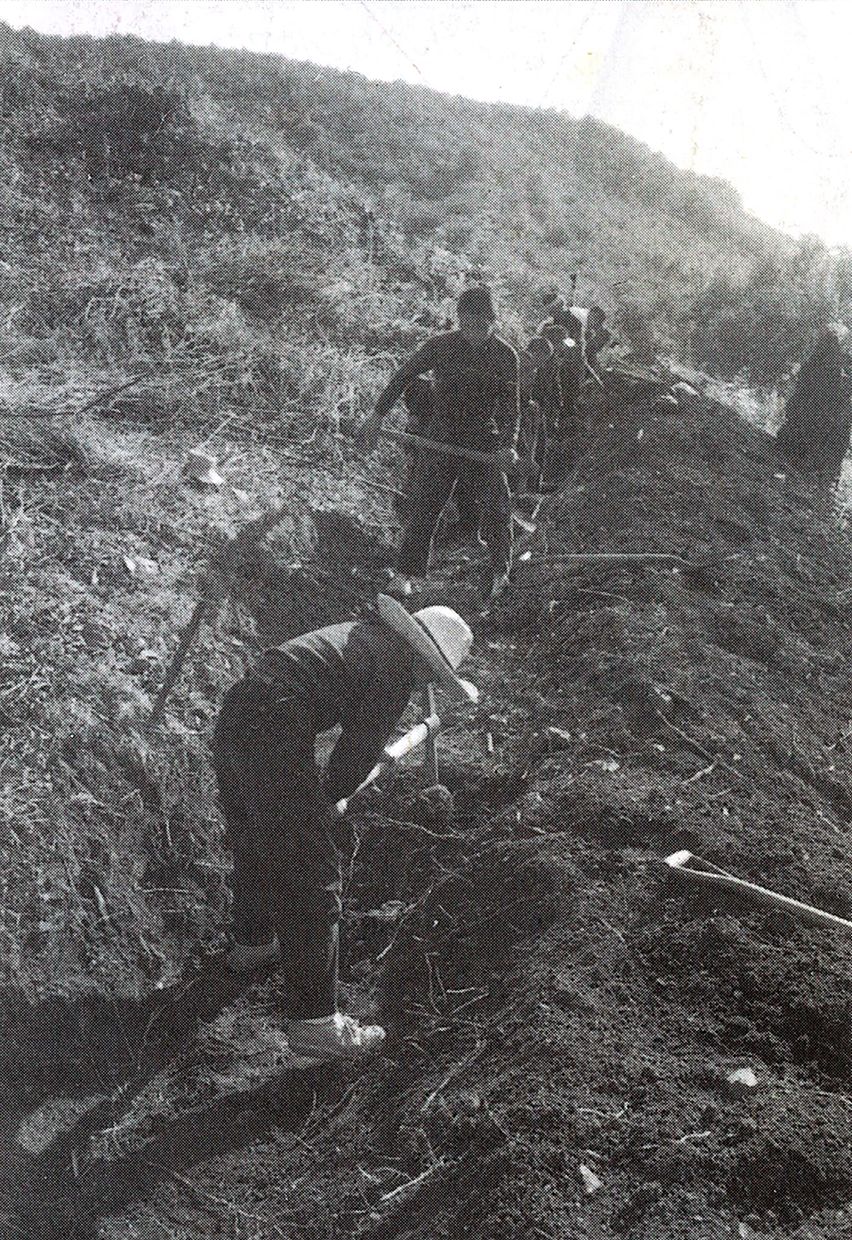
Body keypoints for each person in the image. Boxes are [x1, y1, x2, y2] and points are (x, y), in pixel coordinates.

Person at [211, 595, 478, 1061]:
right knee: (314, 874)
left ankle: (253, 942)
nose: (424, 686)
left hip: (239, 710)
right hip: (275, 720)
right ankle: (316, 1023)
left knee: (256, 837)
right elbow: (353, 762)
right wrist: (323, 806)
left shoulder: (361, 636)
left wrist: (314, 801)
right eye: (431, 677)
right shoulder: (393, 672)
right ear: (425, 663)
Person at [357, 286, 520, 601]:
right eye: (467, 323)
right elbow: (403, 376)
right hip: (441, 435)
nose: (473, 331)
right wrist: (377, 415)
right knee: (426, 504)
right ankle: (406, 574)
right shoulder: (440, 346)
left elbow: (510, 408)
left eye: (481, 325)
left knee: (498, 506)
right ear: (459, 319)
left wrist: (507, 445)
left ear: (493, 322)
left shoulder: (505, 356)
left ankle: (501, 571)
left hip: (481, 441)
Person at [776, 324, 852, 484]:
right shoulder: (832, 356)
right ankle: (807, 461)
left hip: (824, 406)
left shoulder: (831, 355)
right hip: (821, 405)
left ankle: (809, 462)